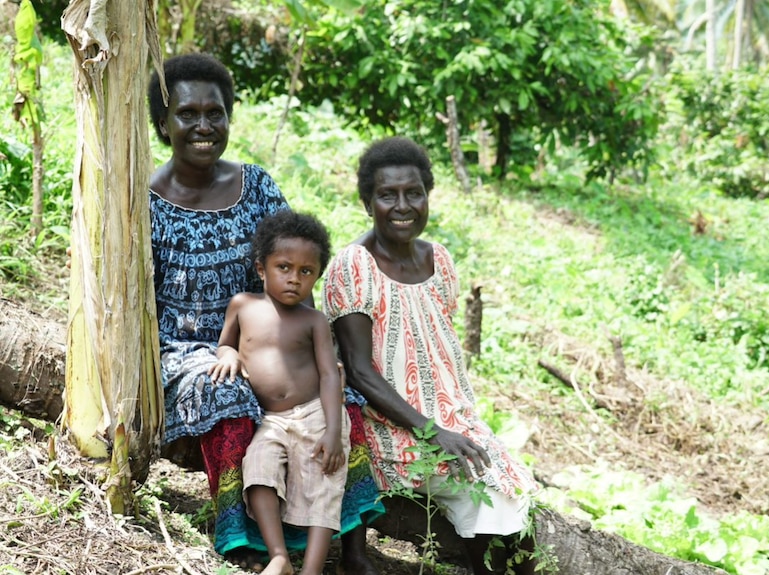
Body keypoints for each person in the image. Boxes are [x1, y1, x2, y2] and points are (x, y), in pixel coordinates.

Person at [147, 53, 383, 574]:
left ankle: (351, 544)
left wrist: (316, 345)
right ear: (163, 123)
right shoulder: (146, 202)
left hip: (274, 329)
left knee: (340, 393)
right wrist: (218, 351)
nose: (204, 126)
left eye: (217, 113)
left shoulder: (255, 185)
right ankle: (252, 542)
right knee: (225, 389)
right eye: (188, 114)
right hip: (192, 350)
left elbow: (295, 260)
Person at [322, 136, 539, 575]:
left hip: (451, 420)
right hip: (390, 428)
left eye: (414, 193)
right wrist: (431, 431)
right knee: (488, 494)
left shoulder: (437, 259)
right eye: (388, 195)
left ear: (428, 196)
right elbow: (361, 372)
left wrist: (453, 425)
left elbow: (436, 352)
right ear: (368, 203)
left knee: (514, 508)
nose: (403, 206)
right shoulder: (354, 265)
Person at [209, 211, 348, 575]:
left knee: (324, 483)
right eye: (283, 267)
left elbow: (329, 375)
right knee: (258, 471)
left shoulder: (313, 320)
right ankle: (279, 556)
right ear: (261, 268)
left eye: (306, 272)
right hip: (270, 420)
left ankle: (312, 569)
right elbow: (225, 344)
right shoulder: (243, 305)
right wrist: (228, 354)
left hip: (315, 412)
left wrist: (333, 431)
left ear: (316, 277)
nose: (294, 279)